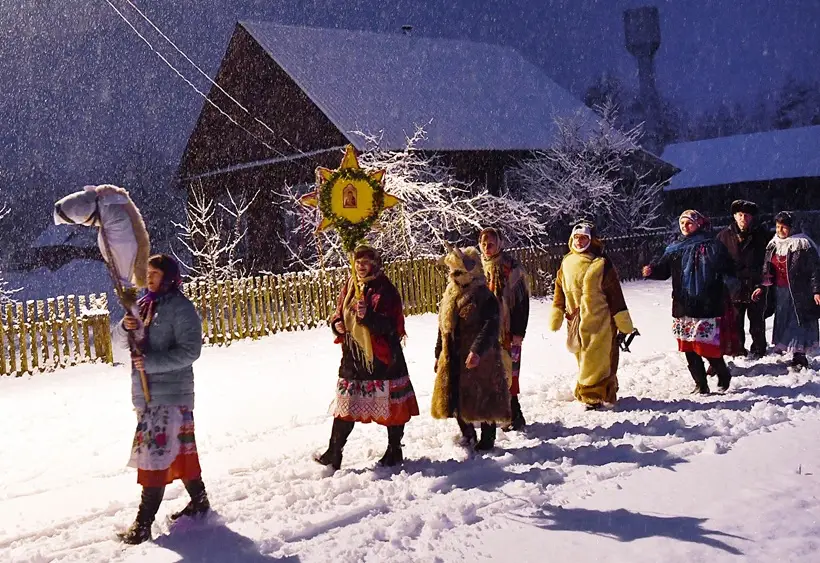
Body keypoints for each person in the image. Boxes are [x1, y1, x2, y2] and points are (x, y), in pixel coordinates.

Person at [114, 254, 208, 545]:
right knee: (179, 454)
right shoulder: (142, 306)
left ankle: (143, 524)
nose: (149, 279)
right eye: (147, 274)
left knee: (153, 458)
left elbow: (191, 351)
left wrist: (151, 363)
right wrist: (125, 328)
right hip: (148, 395)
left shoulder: (182, 309)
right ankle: (200, 503)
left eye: (154, 274)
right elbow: (119, 345)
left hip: (171, 396)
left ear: (169, 277)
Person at [314, 245, 419, 470]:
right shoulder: (350, 285)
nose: (360, 266)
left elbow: (393, 325)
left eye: (365, 262)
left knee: (391, 408)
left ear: (375, 263)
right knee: (346, 404)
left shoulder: (386, 289)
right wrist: (336, 325)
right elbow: (338, 312)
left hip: (382, 358)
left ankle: (394, 449)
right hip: (353, 357)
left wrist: (368, 317)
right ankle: (334, 451)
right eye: (357, 262)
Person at [642, 210, 736, 394]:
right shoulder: (675, 248)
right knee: (688, 348)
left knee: (706, 346)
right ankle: (700, 384)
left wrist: (727, 288)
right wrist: (652, 271)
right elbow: (665, 270)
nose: (685, 226)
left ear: (698, 224)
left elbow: (728, 270)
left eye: (689, 223)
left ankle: (723, 373)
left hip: (706, 304)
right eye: (682, 223)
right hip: (683, 305)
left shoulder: (712, 246)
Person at [548, 221, 635, 409]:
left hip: (600, 321)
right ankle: (605, 389)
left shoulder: (601, 264)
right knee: (583, 358)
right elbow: (559, 289)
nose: (579, 241)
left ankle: (592, 396)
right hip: (575, 321)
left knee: (594, 359)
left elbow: (615, 294)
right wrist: (557, 310)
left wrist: (622, 320)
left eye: (584, 238)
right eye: (577, 238)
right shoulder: (567, 262)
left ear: (591, 240)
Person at [431, 246, 511, 450]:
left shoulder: (484, 296)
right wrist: (439, 352)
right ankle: (467, 433)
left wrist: (477, 350)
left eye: (458, 273)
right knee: (456, 395)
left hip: (481, 355)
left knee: (484, 396)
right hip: (454, 354)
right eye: (452, 273)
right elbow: (443, 326)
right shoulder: (450, 294)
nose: (454, 277)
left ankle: (488, 437)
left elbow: (491, 325)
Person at [751, 211, 820, 370]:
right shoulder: (773, 244)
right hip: (780, 292)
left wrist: (817, 290)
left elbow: (815, 270)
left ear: (792, 228)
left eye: (784, 227)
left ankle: (800, 357)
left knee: (798, 322)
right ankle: (792, 351)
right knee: (784, 321)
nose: (780, 230)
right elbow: (766, 269)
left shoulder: (803, 244)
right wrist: (762, 286)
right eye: (777, 226)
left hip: (800, 291)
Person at [479, 227, 530, 430]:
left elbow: (521, 302)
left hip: (507, 330)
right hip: (484, 333)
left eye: (491, 242)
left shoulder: (512, 267)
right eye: (483, 243)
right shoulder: (476, 267)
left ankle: (513, 413)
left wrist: (518, 332)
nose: (487, 247)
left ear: (499, 243)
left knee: (509, 372)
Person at [717, 199, 769, 357]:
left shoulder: (762, 235)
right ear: (734, 216)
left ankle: (759, 348)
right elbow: (718, 262)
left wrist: (761, 282)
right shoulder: (723, 236)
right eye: (740, 215)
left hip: (755, 283)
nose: (743, 218)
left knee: (757, 320)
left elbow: (767, 260)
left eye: (747, 215)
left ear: (752, 217)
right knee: (736, 321)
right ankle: (738, 349)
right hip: (734, 286)